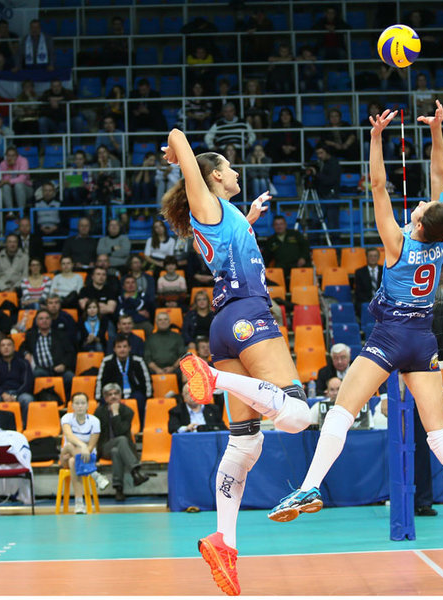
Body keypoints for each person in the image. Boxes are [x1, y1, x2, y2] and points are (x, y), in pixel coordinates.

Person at [267, 101, 443, 565]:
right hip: (423, 341)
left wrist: (374, 138)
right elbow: (439, 175)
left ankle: (309, 487)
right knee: (439, 435)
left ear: (420, 222)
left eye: (423, 206)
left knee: (341, 413)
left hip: (390, 336)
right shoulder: (438, 242)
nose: (424, 201)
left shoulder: (397, 242)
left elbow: (377, 186)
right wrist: (437, 132)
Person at [159, 126, 311, 596]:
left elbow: (232, 240)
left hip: (225, 324)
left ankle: (224, 540)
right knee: (299, 416)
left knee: (245, 443)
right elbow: (178, 134)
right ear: (213, 178)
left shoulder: (224, 214)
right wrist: (177, 153)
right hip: (248, 314)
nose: (236, 170)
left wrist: (250, 218)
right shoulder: (205, 203)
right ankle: (212, 378)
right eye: (228, 167)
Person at [95, 383, 150, 502]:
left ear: (120, 396)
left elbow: (120, 430)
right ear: (105, 398)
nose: (113, 396)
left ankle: (118, 488)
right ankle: (135, 472)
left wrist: (116, 414)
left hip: (123, 449)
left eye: (116, 394)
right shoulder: (99, 412)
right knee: (121, 440)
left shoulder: (127, 412)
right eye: (110, 394)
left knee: (116, 450)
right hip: (105, 447)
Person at [60, 392, 110, 513]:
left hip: (87, 456)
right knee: (69, 446)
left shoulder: (94, 421)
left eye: (83, 403)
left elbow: (91, 446)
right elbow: (69, 436)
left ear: (87, 405)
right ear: (72, 406)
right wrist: (82, 445)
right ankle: (95, 474)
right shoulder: (66, 418)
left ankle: (79, 504)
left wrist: (84, 449)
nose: (80, 406)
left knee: (73, 462)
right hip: (65, 455)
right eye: (77, 403)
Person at [96, 334, 152, 422]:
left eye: (125, 346)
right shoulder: (107, 361)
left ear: (129, 348)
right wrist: (98, 399)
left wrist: (149, 397)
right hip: (113, 393)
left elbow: (147, 380)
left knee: (140, 398)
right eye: (119, 347)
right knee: (103, 402)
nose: (122, 349)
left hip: (134, 393)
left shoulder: (138, 361)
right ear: (114, 349)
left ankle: (140, 426)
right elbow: (100, 381)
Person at [23, 309, 75, 401]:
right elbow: (21, 349)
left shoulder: (61, 335)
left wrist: (64, 364)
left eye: (47, 318)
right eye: (41, 318)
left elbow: (70, 352)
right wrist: (26, 353)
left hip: (59, 369)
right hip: (41, 369)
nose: (44, 321)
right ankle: (40, 401)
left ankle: (66, 402)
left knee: (70, 377)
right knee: (35, 374)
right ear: (36, 322)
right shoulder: (31, 335)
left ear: (51, 320)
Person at [0, 337, 35, 428]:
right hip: (2, 394)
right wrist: (3, 394)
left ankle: (25, 426)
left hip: (20, 393)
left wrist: (15, 395)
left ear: (14, 347)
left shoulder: (24, 363)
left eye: (9, 345)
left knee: (27, 399)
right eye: (3, 345)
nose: (6, 347)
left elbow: (27, 383)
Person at [0, 146, 33, 213]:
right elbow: (3, 180)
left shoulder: (23, 161)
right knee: (5, 186)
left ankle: (21, 212)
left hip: (25, 189)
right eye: (9, 155)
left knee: (18, 185)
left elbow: (22, 179)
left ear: (17, 155)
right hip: (10, 191)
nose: (11, 158)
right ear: (6, 156)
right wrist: (10, 168)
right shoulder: (3, 164)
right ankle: (10, 212)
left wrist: (14, 166)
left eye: (13, 155)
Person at [354, 247, 382, 311]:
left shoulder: (385, 271)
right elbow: (358, 292)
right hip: (366, 302)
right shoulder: (359, 272)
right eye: (370, 256)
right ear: (366, 257)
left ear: (378, 257)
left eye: (375, 256)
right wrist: (371, 302)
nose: (373, 258)